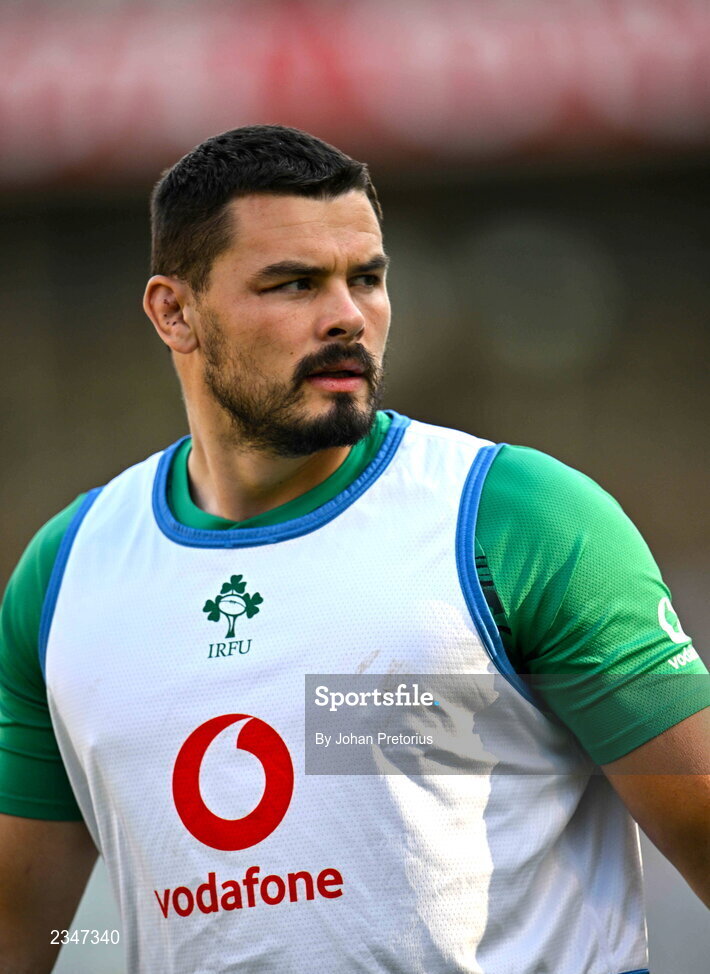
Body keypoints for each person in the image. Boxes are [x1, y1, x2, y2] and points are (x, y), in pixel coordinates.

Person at [0, 125, 707, 974]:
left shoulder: (520, 522)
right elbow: (23, 931)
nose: (347, 317)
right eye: (294, 283)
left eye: (365, 279)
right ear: (174, 312)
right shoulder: (66, 575)